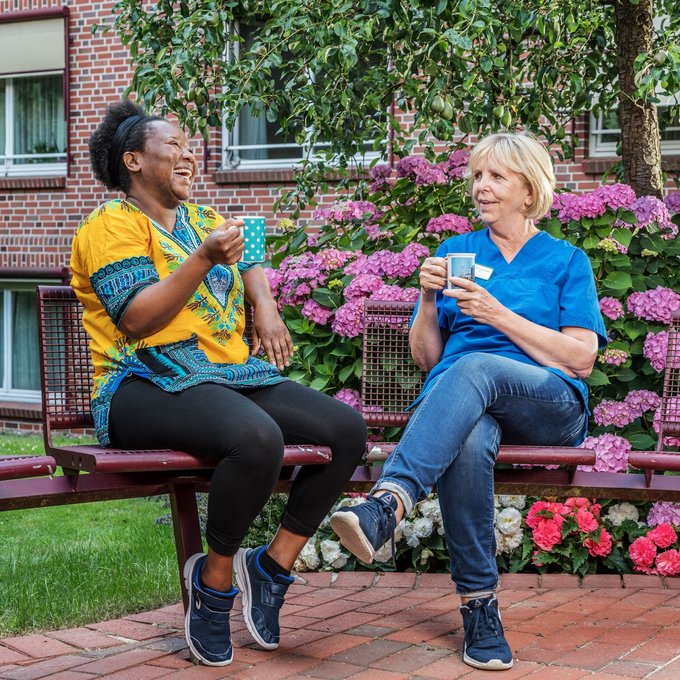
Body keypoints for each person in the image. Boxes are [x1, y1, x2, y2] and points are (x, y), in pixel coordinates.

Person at [70, 100, 367, 667]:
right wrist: (204, 260)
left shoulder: (202, 219)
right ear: (133, 161)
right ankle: (214, 580)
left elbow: (248, 242)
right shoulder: (111, 227)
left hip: (223, 375)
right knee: (256, 439)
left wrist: (265, 303)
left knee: (345, 430)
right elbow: (135, 318)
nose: (188, 154)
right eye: (174, 146)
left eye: (189, 146)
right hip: (138, 383)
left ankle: (272, 565)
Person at [331, 132, 607, 671]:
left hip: (548, 402)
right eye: (478, 176)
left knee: (476, 365)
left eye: (496, 177)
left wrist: (497, 314)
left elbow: (582, 358)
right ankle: (480, 610)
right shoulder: (454, 253)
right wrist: (428, 300)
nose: (482, 187)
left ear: (529, 191)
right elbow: (429, 358)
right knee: (471, 431)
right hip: (467, 402)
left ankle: (390, 501)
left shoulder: (566, 261)